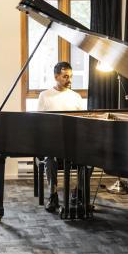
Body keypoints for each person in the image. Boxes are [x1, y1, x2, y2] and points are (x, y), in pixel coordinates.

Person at [37, 61, 83, 212]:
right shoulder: (44, 96)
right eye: (65, 76)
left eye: (70, 76)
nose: (68, 80)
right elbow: (39, 122)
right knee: (50, 159)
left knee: (91, 159)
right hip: (53, 144)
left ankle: (77, 193)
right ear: (56, 76)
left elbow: (82, 122)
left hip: (73, 144)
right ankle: (53, 195)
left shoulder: (76, 97)